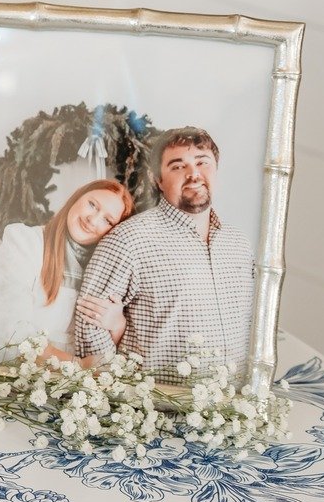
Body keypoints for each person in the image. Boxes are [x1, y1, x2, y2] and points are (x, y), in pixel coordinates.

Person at [70, 127, 255, 383]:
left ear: (215, 170)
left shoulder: (239, 244)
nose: (194, 174)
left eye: (202, 162)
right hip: (158, 410)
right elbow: (90, 328)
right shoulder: (128, 240)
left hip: (234, 408)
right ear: (158, 179)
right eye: (178, 166)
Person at [0, 179, 133, 361]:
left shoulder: (107, 273)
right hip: (13, 375)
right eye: (92, 205)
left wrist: (118, 326)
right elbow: (6, 331)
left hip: (72, 386)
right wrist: (76, 366)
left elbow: (108, 358)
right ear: (77, 198)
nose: (92, 220)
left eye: (107, 220)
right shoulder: (26, 242)